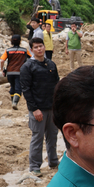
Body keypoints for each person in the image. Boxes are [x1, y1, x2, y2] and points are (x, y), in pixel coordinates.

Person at [20, 37, 60, 177]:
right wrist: (34, 109)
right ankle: (35, 166)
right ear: (31, 50)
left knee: (53, 136)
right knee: (37, 137)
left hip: (52, 107)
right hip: (38, 109)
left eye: (41, 46)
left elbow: (57, 84)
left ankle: (53, 161)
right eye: (36, 47)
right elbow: (26, 89)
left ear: (44, 47)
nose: (39, 49)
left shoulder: (51, 64)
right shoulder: (27, 67)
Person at [0, 34, 31, 110]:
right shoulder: (24, 51)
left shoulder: (8, 50)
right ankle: (15, 103)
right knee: (19, 88)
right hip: (20, 72)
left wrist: (2, 70)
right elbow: (31, 58)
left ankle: (12, 101)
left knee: (12, 87)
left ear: (11, 41)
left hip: (10, 72)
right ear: (20, 41)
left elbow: (2, 61)